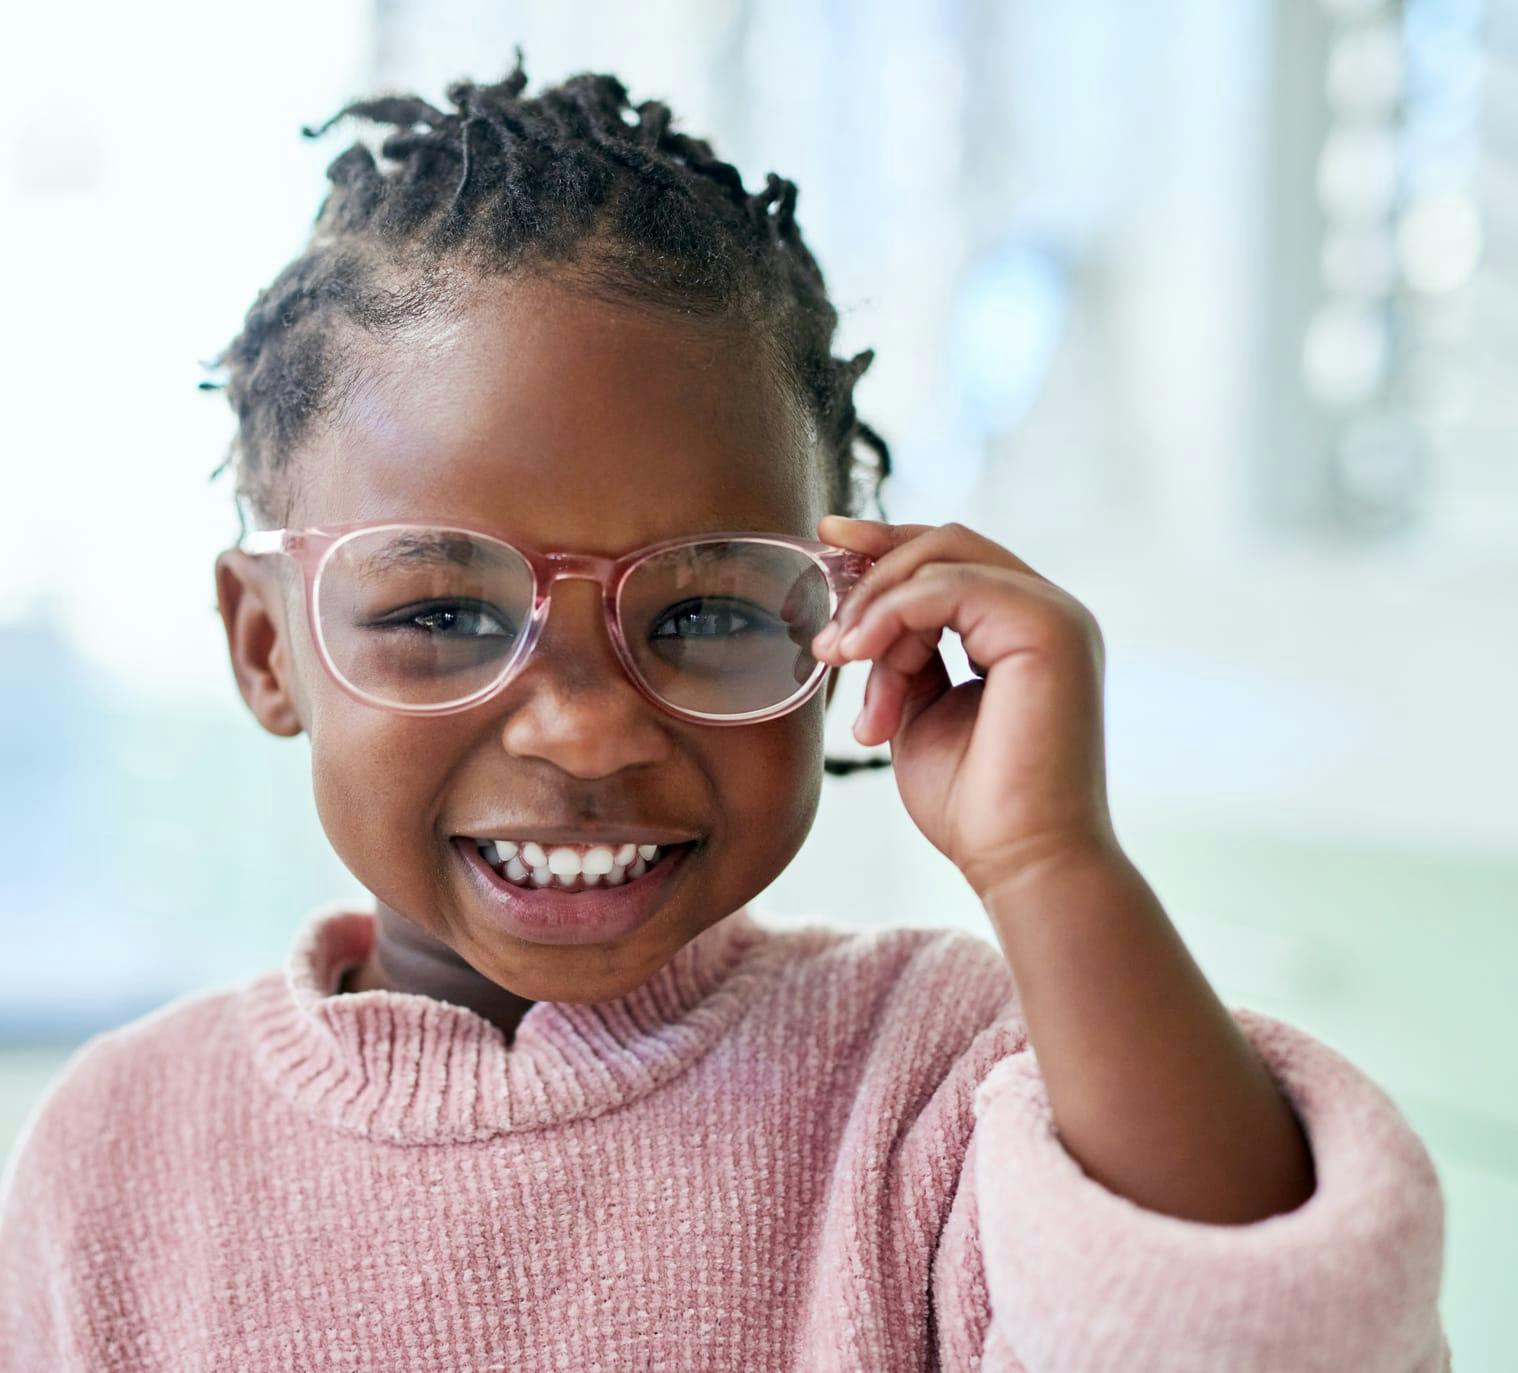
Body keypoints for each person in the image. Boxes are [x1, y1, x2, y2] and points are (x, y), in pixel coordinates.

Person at [0, 48, 1448, 1371]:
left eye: (702, 614)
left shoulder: (947, 1075)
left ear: (844, 612)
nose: (583, 728)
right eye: (442, 613)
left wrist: (1049, 861)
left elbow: (1281, 1335)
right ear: (268, 647)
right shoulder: (120, 1149)